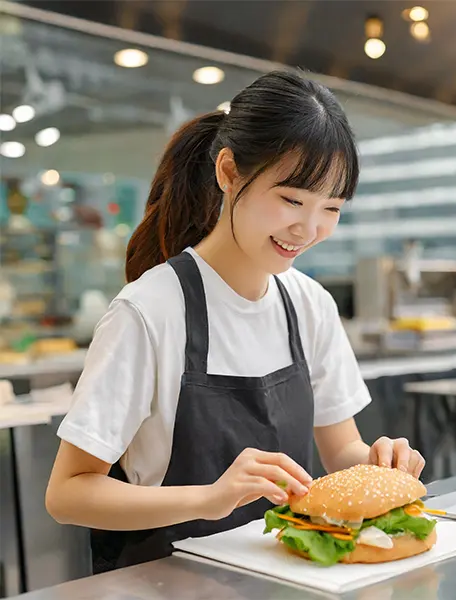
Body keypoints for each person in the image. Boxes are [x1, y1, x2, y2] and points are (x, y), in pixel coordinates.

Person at [45, 71, 425, 573]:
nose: (308, 229)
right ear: (228, 172)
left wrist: (379, 462)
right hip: (167, 581)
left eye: (330, 208)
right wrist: (209, 498)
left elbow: (340, 451)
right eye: (291, 199)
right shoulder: (150, 310)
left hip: (288, 577)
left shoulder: (309, 304)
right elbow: (68, 493)